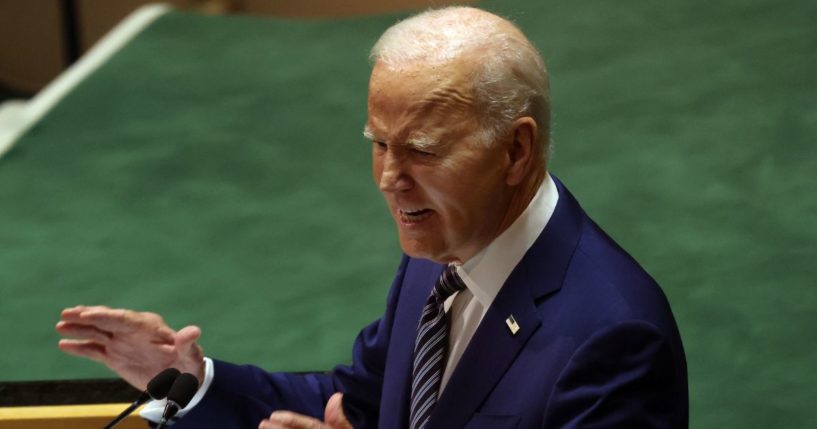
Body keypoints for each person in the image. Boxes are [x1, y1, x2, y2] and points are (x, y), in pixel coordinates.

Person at [56, 6, 688, 428]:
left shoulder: (614, 338)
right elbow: (357, 401)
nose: (389, 179)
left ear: (516, 151)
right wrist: (190, 380)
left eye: (422, 150)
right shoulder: (441, 261)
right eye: (379, 144)